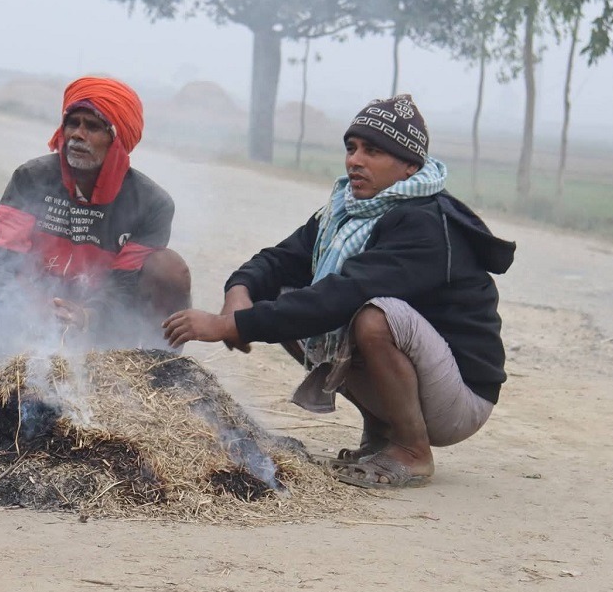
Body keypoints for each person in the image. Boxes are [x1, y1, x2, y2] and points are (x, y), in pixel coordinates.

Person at [162, 94, 515, 489]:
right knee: (289, 294)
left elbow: (341, 295)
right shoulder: (345, 210)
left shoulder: (425, 224)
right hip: (424, 382)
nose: (355, 161)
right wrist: (239, 293)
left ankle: (413, 450)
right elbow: (278, 260)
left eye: (373, 151)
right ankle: (382, 432)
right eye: (352, 148)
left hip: (459, 399)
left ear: (410, 166)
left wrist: (234, 327)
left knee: (373, 318)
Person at [0, 76, 191, 360]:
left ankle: (157, 372)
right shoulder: (31, 178)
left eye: (93, 127)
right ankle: (11, 371)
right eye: (73, 123)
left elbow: (124, 287)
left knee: (169, 269)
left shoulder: (152, 204)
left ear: (117, 140)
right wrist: (26, 305)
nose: (77, 135)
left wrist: (86, 316)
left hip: (102, 326)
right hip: (28, 317)